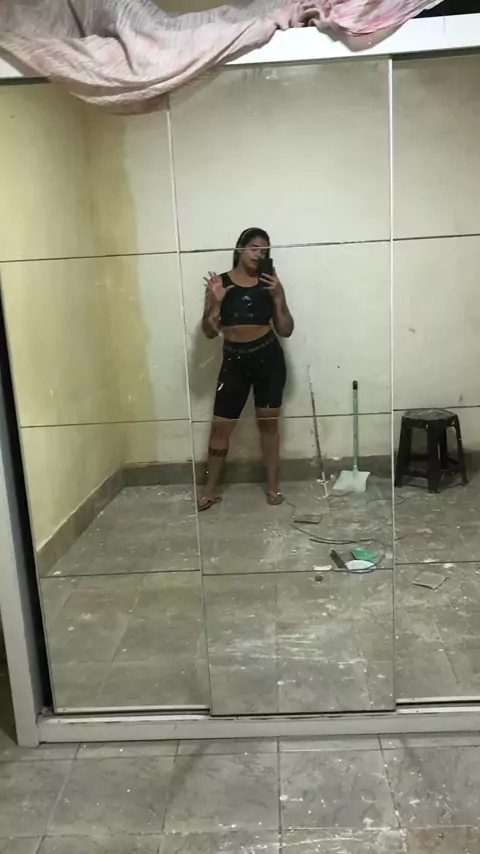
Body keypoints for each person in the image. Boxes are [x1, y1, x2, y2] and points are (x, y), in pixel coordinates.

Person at [198, 227, 294, 511]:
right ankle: (210, 490)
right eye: (253, 247)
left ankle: (273, 488)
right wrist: (215, 303)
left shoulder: (270, 283)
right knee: (220, 429)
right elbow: (209, 332)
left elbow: (286, 330)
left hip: (268, 359)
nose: (258, 254)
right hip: (234, 360)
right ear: (239, 248)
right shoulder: (220, 283)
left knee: (269, 426)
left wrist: (278, 297)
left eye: (264, 250)